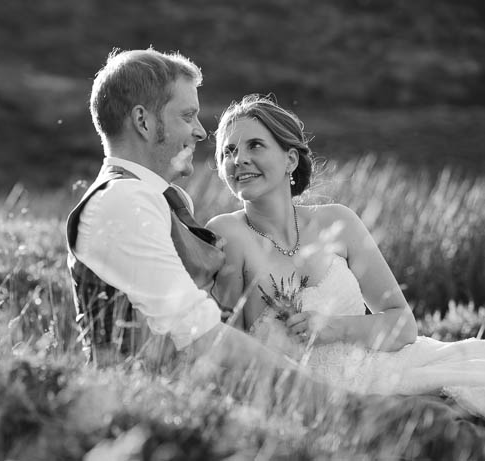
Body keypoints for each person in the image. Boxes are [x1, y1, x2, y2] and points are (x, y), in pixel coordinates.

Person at [64, 48, 329, 396]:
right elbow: (200, 337)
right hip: (144, 413)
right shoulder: (122, 201)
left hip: (200, 402)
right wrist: (341, 402)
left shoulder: (167, 200)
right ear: (143, 121)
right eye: (187, 116)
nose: (201, 132)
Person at [207, 93, 485, 418]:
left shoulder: (339, 221)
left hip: (389, 370)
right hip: (311, 400)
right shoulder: (228, 234)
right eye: (229, 150)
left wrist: (335, 328)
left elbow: (403, 325)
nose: (238, 158)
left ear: (290, 160)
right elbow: (224, 346)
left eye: (255, 145)